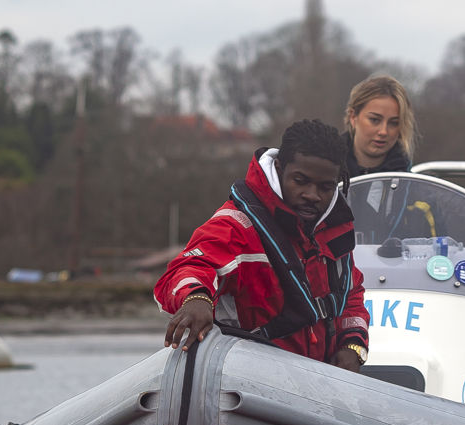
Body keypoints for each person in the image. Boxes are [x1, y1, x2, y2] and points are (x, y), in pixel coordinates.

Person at [155, 118, 370, 371]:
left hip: (316, 384)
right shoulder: (237, 226)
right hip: (250, 383)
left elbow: (351, 295)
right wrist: (196, 298)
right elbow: (188, 267)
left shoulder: (332, 232)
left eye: (325, 187)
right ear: (279, 168)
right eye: (300, 181)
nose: (312, 195)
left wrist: (352, 347)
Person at [342, 74, 416, 178]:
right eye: (374, 120)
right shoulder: (323, 173)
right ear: (353, 117)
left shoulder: (409, 184)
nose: (383, 131)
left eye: (394, 123)